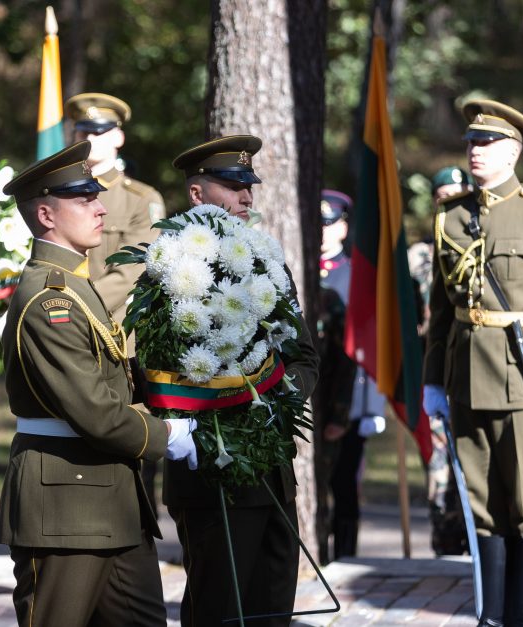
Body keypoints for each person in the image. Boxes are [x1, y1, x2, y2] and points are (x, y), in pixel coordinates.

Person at [0, 141, 196, 627]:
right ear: (46, 213)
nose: (101, 208)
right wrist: (168, 435)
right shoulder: (50, 301)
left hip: (112, 503)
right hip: (65, 506)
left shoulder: (76, 284)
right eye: (85, 200)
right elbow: (96, 412)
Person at [423, 99, 523, 626]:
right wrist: (432, 381)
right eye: (471, 141)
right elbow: (440, 309)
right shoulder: (450, 216)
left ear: (513, 150)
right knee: (480, 502)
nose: (475, 150)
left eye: (487, 143)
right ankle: (491, 616)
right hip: (465, 375)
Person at [165, 135, 320, 625]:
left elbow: (304, 356)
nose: (247, 198)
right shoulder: (169, 268)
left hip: (272, 465)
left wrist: (278, 397)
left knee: (273, 608)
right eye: (232, 186)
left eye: (248, 186)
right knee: (219, 611)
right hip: (214, 472)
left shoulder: (268, 262)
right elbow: (161, 369)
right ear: (197, 194)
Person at [65, 92, 167, 515]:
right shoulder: (59, 192)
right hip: (67, 336)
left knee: (132, 443)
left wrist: (74, 305)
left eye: (100, 132)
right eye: (84, 132)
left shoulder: (141, 199)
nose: (90, 140)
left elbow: (135, 270)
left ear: (118, 137)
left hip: (121, 341)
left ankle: (136, 538)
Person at [316, 190, 385, 561]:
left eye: (329, 224)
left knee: (343, 486)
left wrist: (373, 405)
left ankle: (345, 557)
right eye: (318, 224)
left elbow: (371, 345)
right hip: (311, 397)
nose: (323, 232)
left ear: (343, 227)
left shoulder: (358, 277)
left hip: (349, 402)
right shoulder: (296, 267)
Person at [418, 167, 471, 557]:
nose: (449, 201)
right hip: (435, 377)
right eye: (442, 195)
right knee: (439, 473)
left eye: (457, 193)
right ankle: (446, 550)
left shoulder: (478, 246)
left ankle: (481, 547)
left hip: (473, 372)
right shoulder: (418, 257)